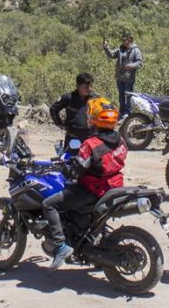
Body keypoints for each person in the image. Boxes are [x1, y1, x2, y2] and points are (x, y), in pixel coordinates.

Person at [43, 97, 127, 269]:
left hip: (92, 190)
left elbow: (77, 170)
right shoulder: (121, 140)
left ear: (92, 119)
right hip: (114, 187)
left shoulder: (90, 144)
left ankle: (60, 246)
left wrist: (66, 169)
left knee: (49, 204)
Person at [50, 72, 97, 148]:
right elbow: (53, 109)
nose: (89, 89)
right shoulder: (68, 98)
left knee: (90, 158)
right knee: (70, 158)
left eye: (90, 86)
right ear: (77, 86)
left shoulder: (95, 98)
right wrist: (59, 124)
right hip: (74, 138)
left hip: (90, 138)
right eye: (85, 87)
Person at [102, 33, 143, 118]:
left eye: (125, 40)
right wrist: (106, 48)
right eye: (122, 40)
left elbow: (139, 63)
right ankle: (122, 112)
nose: (123, 41)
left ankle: (128, 114)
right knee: (121, 95)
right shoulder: (121, 49)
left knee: (128, 96)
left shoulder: (136, 50)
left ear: (129, 40)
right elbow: (112, 54)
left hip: (129, 78)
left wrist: (131, 65)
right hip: (119, 77)